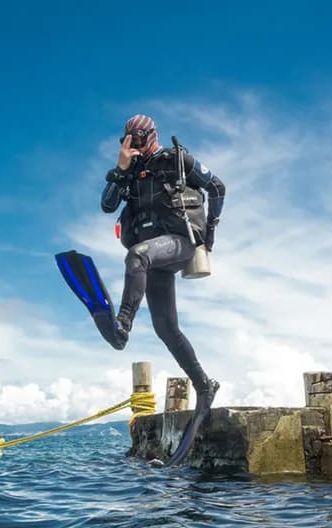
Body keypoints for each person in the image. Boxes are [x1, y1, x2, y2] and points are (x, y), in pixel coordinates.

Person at [101, 114, 225, 462]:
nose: (135, 145)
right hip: (154, 254)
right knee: (165, 327)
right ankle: (204, 384)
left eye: (139, 139)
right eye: (129, 139)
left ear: (151, 137)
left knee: (136, 256)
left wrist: (210, 231)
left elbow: (217, 187)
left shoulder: (177, 160)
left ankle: (122, 326)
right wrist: (120, 167)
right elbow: (107, 204)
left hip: (180, 242)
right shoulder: (127, 173)